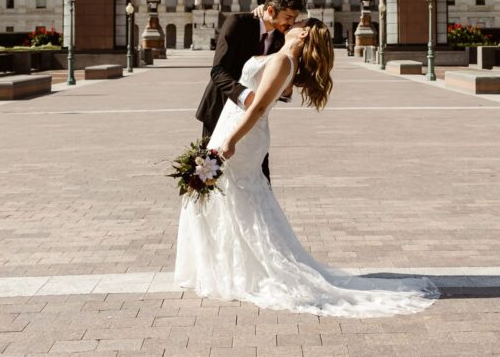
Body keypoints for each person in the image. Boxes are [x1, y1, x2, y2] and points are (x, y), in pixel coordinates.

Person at [176, 19, 439, 317]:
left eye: (297, 21)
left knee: (238, 197)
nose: (291, 22)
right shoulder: (283, 57)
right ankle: (235, 266)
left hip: (242, 132)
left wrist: (231, 141)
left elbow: (259, 107)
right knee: (236, 198)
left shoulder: (284, 61)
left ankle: (248, 269)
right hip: (237, 125)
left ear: (302, 33)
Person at [195, 0, 303, 181]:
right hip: (220, 109)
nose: (291, 23)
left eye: (294, 18)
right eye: (288, 17)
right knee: (208, 177)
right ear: (271, 10)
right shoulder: (238, 23)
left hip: (254, 120)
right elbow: (218, 71)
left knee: (260, 176)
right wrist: (245, 96)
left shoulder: (283, 38)